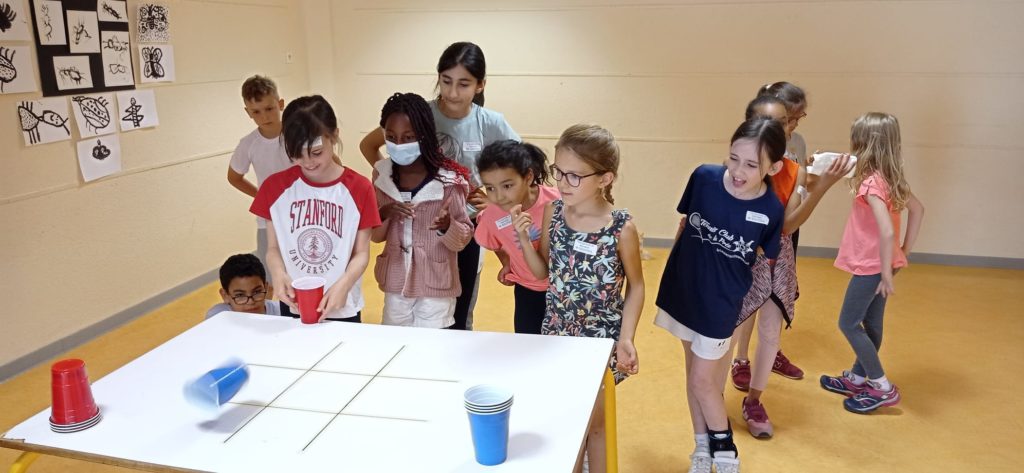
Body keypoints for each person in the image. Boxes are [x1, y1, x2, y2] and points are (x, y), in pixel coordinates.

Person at [654, 117, 787, 473]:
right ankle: (701, 450)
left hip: (721, 304)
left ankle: (726, 453)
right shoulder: (703, 177)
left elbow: (763, 257)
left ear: (773, 167)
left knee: (703, 379)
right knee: (694, 375)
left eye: (751, 165)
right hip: (684, 292)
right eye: (734, 158)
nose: (738, 171)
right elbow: (685, 226)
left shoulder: (771, 210)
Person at [359, 42, 520, 330]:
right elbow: (369, 145)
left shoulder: (490, 122)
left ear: (480, 85)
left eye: (463, 84)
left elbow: (520, 165)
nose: (453, 92)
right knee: (409, 301)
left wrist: (494, 199)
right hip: (417, 223)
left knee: (459, 309)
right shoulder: (421, 113)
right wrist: (390, 177)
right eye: (446, 81)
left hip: (464, 224)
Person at [517, 124, 644, 473]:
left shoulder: (621, 228)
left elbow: (636, 286)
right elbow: (543, 272)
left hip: (599, 342)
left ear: (605, 179)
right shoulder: (553, 213)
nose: (562, 182)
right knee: (567, 421)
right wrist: (524, 240)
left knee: (595, 425)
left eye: (574, 176)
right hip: (557, 334)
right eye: (558, 172)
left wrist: (626, 338)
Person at [731, 97, 853, 438]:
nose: (781, 128)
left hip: (775, 263)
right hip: (736, 261)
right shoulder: (733, 170)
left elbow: (787, 225)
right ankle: (715, 393)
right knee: (726, 332)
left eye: (784, 121)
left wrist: (821, 187)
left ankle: (754, 400)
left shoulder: (792, 170)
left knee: (770, 333)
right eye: (771, 121)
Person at [820, 112, 925, 414]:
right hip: (885, 264)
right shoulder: (890, 179)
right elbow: (918, 210)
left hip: (872, 267)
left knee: (848, 323)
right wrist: (903, 252)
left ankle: (881, 387)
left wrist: (886, 273)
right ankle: (857, 377)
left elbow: (887, 230)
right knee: (872, 324)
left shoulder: (870, 184)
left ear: (863, 144)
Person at [250, 95, 380, 322]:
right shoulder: (275, 188)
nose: (308, 162)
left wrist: (344, 284)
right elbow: (273, 248)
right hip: (294, 301)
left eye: (316, 152)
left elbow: (361, 253)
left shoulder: (359, 188)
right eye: (296, 155)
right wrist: (278, 274)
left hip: (342, 302)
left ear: (334, 135)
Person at [370, 93, 473, 328]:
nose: (398, 144)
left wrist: (448, 226)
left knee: (431, 343)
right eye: (391, 137)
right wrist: (385, 213)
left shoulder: (450, 181)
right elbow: (375, 236)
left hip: (436, 283)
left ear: (424, 135)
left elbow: (463, 237)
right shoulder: (381, 176)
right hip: (396, 281)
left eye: (408, 137)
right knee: (395, 340)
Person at [474, 140, 558, 334]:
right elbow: (494, 243)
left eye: (507, 186)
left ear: (528, 177)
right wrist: (506, 262)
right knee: (528, 343)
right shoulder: (491, 216)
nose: (499, 196)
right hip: (527, 290)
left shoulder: (557, 201)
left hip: (563, 289)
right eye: (490, 188)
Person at [226, 75, 293, 282]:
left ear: (280, 104)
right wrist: (261, 196)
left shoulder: (298, 135)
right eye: (256, 112)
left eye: (269, 108)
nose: (264, 116)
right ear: (248, 112)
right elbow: (234, 177)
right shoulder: (249, 144)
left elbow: (330, 163)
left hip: (304, 215)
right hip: (269, 221)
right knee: (271, 278)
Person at [205, 254, 281, 319]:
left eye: (257, 292)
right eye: (240, 295)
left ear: (266, 288)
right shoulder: (217, 317)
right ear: (225, 295)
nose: (251, 302)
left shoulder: (282, 313)